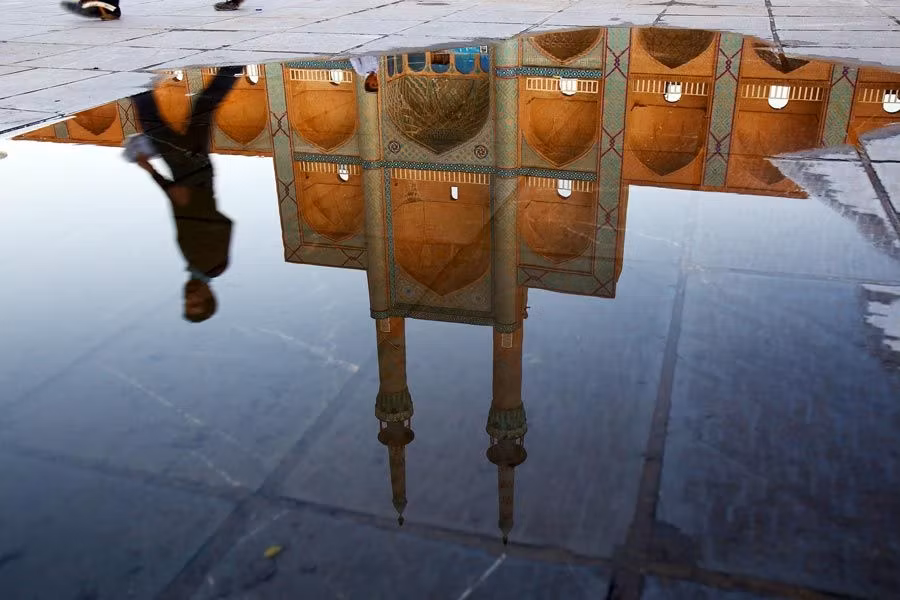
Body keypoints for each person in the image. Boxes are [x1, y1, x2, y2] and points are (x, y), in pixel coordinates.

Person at [132, 67, 241, 323]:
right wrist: (188, 197)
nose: (188, 296)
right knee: (154, 124)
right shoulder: (213, 265)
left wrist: (154, 174)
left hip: (191, 174)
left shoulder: (197, 264)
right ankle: (137, 86)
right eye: (194, 301)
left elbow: (178, 208)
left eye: (186, 302)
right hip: (193, 173)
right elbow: (220, 224)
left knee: (202, 108)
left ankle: (233, 68)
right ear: (208, 296)